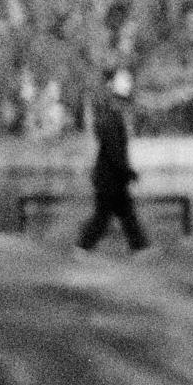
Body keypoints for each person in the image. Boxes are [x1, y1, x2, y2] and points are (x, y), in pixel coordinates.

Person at [79, 67, 148, 252]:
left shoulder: (112, 114)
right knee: (104, 216)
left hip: (112, 177)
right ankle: (82, 247)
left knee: (124, 214)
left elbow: (115, 149)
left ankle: (140, 248)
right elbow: (113, 150)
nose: (129, 83)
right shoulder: (109, 116)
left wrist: (126, 171)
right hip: (109, 178)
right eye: (124, 80)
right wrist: (128, 171)